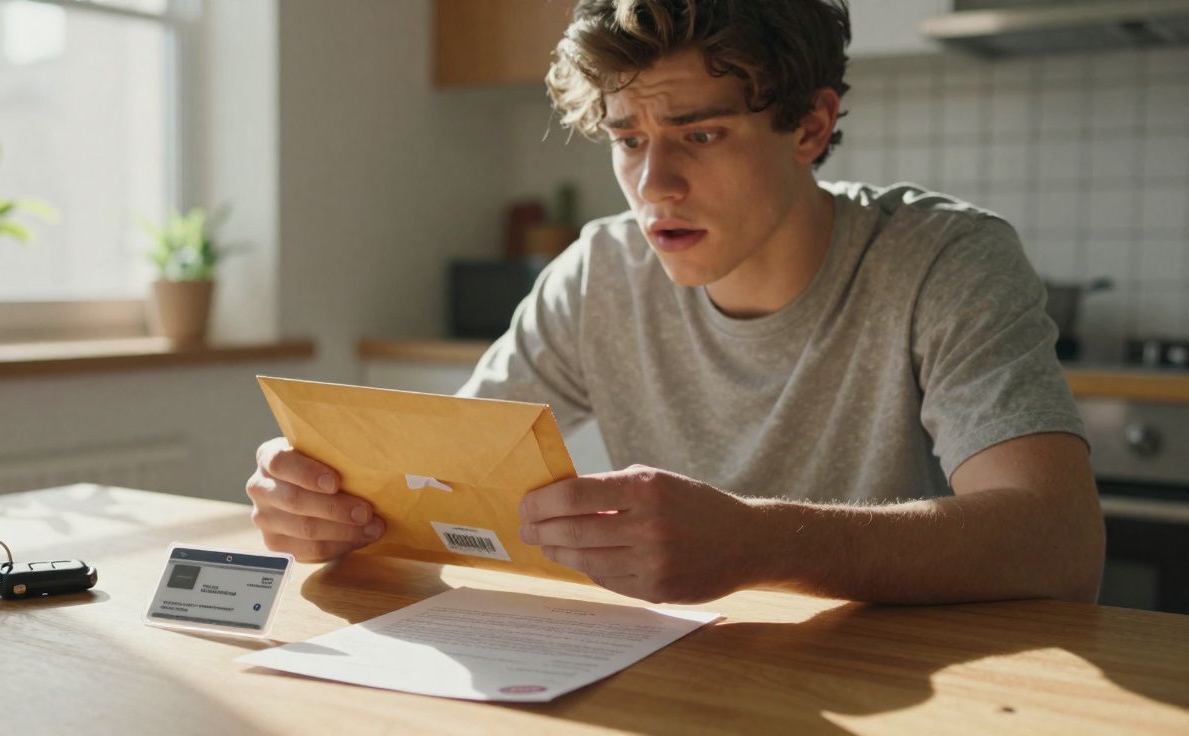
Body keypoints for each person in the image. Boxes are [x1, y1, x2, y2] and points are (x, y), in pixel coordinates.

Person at [246, 0, 1104, 605]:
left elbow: (1058, 541)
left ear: (809, 126)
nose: (653, 187)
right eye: (627, 140)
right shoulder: (600, 270)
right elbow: (443, 481)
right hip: (687, 676)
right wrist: (336, 510)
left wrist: (760, 543)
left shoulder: (943, 258)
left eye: (700, 134)